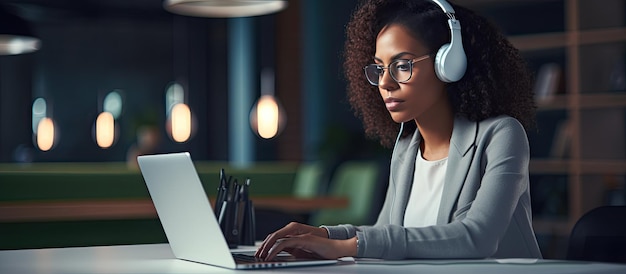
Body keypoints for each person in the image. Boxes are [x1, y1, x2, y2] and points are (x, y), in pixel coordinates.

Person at [255, 0, 542, 260]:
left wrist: (347, 247)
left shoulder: (502, 135)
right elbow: (384, 231)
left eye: (402, 65)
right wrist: (324, 235)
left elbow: (477, 238)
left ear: (449, 65)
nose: (386, 83)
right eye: (379, 69)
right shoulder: (407, 147)